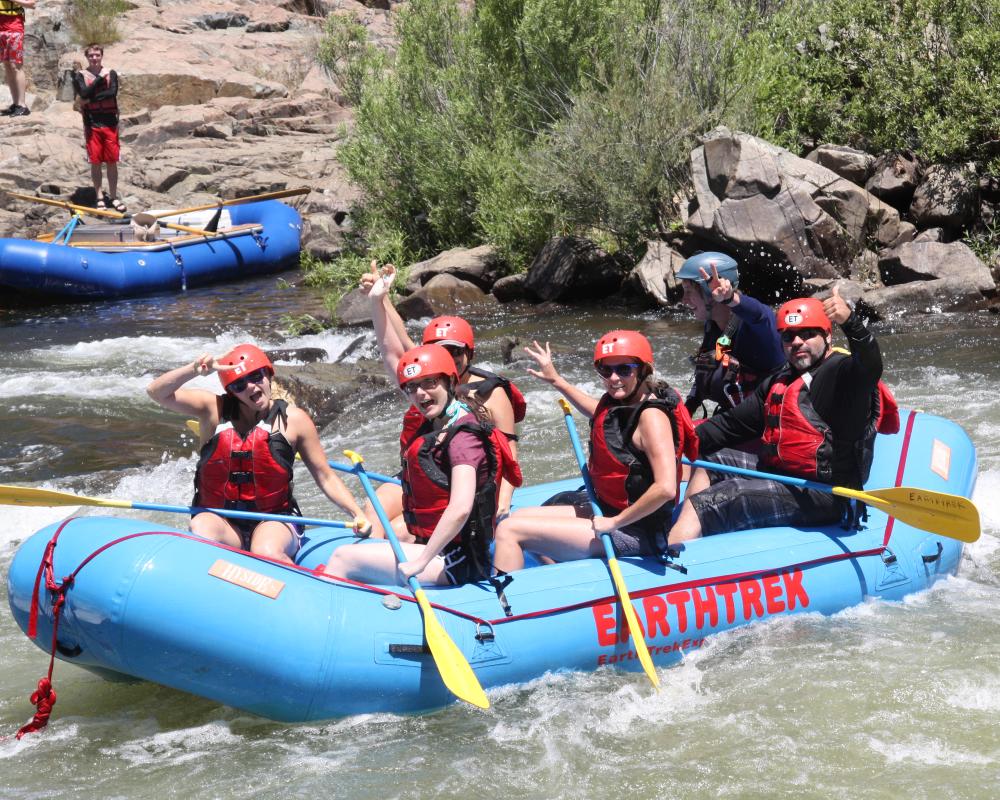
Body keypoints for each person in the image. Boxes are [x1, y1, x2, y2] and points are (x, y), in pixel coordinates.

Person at [668, 286, 899, 545]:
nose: (797, 342)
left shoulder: (842, 376)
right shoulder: (780, 380)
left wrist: (851, 322)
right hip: (781, 473)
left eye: (807, 334)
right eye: (789, 337)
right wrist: (675, 443)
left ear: (828, 337)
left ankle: (673, 558)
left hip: (825, 493)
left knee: (724, 496)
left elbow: (870, 365)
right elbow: (730, 425)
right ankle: (684, 531)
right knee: (712, 462)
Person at [492, 331, 697, 573]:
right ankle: (558, 578)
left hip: (635, 530)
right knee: (514, 518)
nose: (613, 378)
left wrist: (614, 523)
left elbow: (665, 489)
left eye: (624, 369)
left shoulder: (652, 418)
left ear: (643, 370)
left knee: (509, 531)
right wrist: (557, 381)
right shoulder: (621, 402)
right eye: (605, 370)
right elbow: (599, 413)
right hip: (608, 512)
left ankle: (507, 605)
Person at [147, 344, 370, 564]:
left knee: (266, 551)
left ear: (268, 374)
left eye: (256, 376)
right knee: (200, 528)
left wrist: (356, 513)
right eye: (239, 384)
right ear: (231, 391)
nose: (251, 387)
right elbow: (156, 393)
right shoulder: (212, 409)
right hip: (222, 521)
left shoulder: (296, 420)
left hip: (275, 520)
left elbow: (325, 476)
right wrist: (193, 369)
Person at [324, 344, 522, 586]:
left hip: (458, 561)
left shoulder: (463, 438)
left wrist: (421, 561)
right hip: (438, 549)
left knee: (343, 557)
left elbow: (460, 508)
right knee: (386, 538)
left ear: (450, 381)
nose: (420, 393)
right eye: (412, 387)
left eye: (430, 382)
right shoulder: (436, 425)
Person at [359, 261, 525, 540]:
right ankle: (365, 569)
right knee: (372, 510)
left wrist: (503, 502)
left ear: (469, 354)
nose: (447, 356)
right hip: (425, 473)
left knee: (398, 533)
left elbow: (508, 450)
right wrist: (381, 298)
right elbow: (397, 343)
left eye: (454, 352)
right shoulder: (428, 383)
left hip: (460, 479)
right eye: (440, 351)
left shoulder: (490, 392)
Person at [676, 252, 784, 418]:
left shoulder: (755, 328)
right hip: (735, 422)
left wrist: (730, 298)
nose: (684, 300)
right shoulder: (714, 328)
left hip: (768, 425)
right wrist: (684, 415)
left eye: (689, 291)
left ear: (709, 293)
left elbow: (762, 315)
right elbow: (705, 371)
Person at [72, 43, 125, 211]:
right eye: (91, 56)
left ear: (101, 56)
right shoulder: (80, 76)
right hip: (92, 122)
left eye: (97, 55)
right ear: (87, 57)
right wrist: (100, 79)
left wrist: (90, 99)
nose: (94, 58)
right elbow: (84, 93)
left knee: (111, 161)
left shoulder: (112, 73)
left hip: (110, 122)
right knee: (95, 161)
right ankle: (99, 196)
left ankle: (114, 197)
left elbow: (111, 93)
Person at [0, 0, 34, 117]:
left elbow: (31, 3)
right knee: (7, 64)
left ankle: (22, 105)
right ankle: (15, 104)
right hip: (1, 25)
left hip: (14, 25)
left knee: (16, 65)